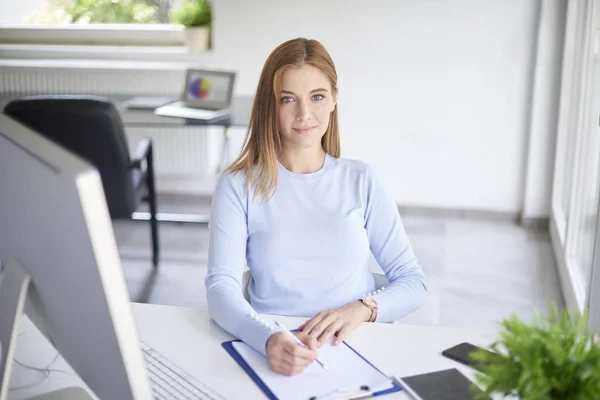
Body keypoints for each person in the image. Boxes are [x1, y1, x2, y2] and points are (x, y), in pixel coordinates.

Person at [206, 38, 427, 376]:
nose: (304, 114)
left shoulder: (362, 180)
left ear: (335, 99)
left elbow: (412, 282)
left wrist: (362, 309)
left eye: (317, 97)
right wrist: (266, 339)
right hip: (273, 346)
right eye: (288, 99)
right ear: (270, 104)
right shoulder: (238, 185)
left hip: (356, 346)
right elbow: (221, 287)